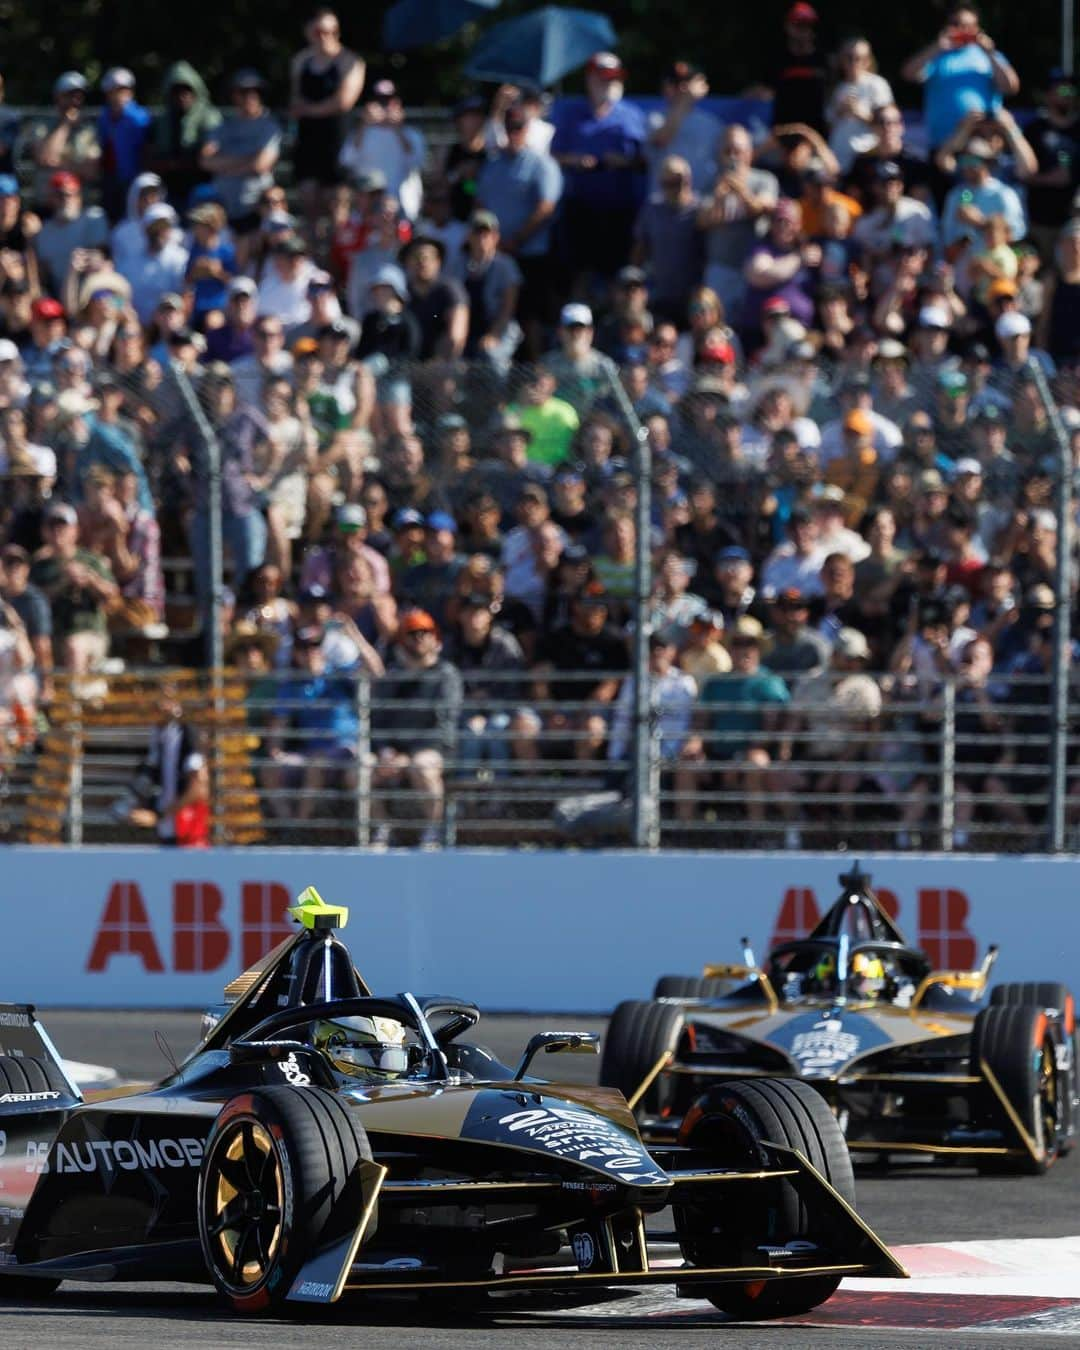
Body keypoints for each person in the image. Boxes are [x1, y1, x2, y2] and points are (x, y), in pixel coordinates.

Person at [674, 615, 791, 830]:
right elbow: (701, 722)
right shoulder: (716, 683)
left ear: (758, 648)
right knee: (687, 760)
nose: (743, 650)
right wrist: (695, 743)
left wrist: (738, 759)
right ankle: (685, 830)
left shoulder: (770, 683)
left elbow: (771, 730)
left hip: (753, 754)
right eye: (737, 644)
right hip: (717, 754)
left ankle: (757, 831)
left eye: (749, 644)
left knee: (754, 762)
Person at [551, 51, 647, 288]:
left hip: (620, 208)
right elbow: (554, 155)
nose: (611, 83)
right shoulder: (571, 114)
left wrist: (623, 161)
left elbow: (645, 161)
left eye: (615, 78)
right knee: (578, 272)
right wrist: (576, 160)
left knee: (617, 271)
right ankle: (580, 320)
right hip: (580, 207)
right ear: (590, 79)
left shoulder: (632, 115)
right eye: (605, 77)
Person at [370, 608, 462, 847]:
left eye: (425, 632)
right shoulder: (393, 677)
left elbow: (445, 723)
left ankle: (433, 833)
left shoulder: (446, 675)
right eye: (412, 633)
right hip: (394, 752)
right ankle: (382, 829)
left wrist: (407, 755)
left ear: (435, 637)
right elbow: (378, 720)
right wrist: (385, 750)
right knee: (360, 769)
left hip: (434, 749)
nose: (419, 637)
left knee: (421, 766)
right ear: (403, 639)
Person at [476, 104, 562, 356]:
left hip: (530, 255)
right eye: (509, 127)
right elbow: (479, 200)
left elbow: (546, 207)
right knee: (494, 312)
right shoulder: (492, 164)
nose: (514, 133)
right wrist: (494, 242)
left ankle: (535, 370)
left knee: (530, 315)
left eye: (519, 128)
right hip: (495, 255)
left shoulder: (541, 164)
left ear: (527, 129)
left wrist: (516, 239)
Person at [265, 624, 360, 822]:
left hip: (346, 751)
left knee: (317, 764)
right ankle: (288, 824)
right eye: (304, 649)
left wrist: (353, 634)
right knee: (269, 768)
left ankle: (301, 827)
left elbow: (376, 672)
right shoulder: (291, 685)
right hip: (309, 752)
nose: (310, 653)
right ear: (296, 655)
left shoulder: (339, 675)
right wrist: (275, 751)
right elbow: (279, 725)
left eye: (315, 647)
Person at [901, 5, 1019, 156]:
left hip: (984, 147)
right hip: (943, 145)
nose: (962, 30)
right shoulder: (937, 55)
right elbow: (908, 74)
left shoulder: (989, 56)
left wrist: (990, 52)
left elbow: (1011, 87)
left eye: (968, 26)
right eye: (956, 24)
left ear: (977, 28)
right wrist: (936, 47)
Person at [289, 8, 365, 229]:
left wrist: (309, 110)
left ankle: (337, 258)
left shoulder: (349, 61)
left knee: (337, 203)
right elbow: (295, 101)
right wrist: (308, 110)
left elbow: (343, 102)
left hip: (336, 139)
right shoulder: (300, 62)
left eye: (332, 31)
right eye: (320, 31)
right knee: (308, 200)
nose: (326, 37)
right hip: (308, 140)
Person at [697, 124, 779, 325]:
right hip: (720, 268)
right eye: (728, 151)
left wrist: (741, 190)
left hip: (752, 268)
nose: (733, 157)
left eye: (738, 151)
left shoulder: (763, 179)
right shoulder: (712, 184)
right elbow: (701, 222)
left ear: (749, 153)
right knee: (716, 323)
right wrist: (719, 195)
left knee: (751, 324)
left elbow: (763, 208)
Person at [28, 499, 118, 675]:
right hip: (50, 634)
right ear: (44, 532)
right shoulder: (39, 567)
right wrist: (63, 583)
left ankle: (73, 701)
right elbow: (32, 600)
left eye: (62, 526)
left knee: (74, 646)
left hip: (89, 633)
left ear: (75, 530)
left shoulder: (90, 560)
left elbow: (113, 595)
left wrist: (90, 580)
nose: (57, 532)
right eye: (52, 527)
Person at [199, 71, 282, 254]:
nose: (249, 97)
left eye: (254, 92)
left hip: (255, 209)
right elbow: (205, 160)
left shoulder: (269, 127)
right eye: (243, 92)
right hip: (223, 209)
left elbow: (260, 164)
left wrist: (225, 165)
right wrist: (247, 161)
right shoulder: (223, 127)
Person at [338, 79, 425, 221]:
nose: (385, 106)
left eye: (389, 101)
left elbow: (417, 162)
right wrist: (363, 125)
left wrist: (398, 129)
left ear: (398, 103)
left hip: (403, 208)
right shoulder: (359, 133)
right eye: (380, 101)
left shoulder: (412, 135)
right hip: (367, 211)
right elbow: (346, 160)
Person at [632, 154, 703, 323]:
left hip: (692, 296)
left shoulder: (700, 210)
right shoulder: (652, 208)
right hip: (659, 293)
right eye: (667, 183)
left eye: (678, 182)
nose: (674, 188)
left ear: (688, 180)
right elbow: (640, 248)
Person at [447, 209, 522, 370]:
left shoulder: (506, 266)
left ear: (496, 237)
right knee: (451, 363)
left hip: (499, 326)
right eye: (477, 232)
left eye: (487, 233)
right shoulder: (457, 265)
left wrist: (494, 334)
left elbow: (508, 308)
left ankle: (498, 396)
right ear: (469, 236)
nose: (482, 238)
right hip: (464, 328)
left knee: (492, 359)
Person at [147, 62, 222, 209]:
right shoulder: (163, 121)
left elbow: (208, 154)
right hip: (168, 185)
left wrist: (176, 163)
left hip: (201, 183)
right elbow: (150, 156)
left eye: (186, 91)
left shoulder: (209, 117)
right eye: (176, 91)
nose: (182, 96)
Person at [1024, 70, 1080, 261]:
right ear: (1048, 95)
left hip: (1074, 224)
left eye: (1071, 91)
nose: (1068, 95)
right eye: (1062, 91)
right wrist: (1048, 179)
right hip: (1040, 221)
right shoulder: (1034, 130)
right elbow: (1021, 173)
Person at [645, 61, 721, 195]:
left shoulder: (711, 122)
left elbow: (736, 152)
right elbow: (662, 139)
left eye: (686, 83)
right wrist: (686, 99)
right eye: (675, 83)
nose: (682, 89)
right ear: (664, 87)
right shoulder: (654, 118)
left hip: (701, 204)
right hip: (663, 204)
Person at [25, 72, 100, 208]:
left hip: (78, 205)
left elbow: (91, 171)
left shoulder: (88, 130)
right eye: (69, 95)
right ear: (57, 97)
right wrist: (65, 125)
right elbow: (45, 158)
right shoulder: (41, 125)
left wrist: (60, 164)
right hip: (47, 204)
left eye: (79, 96)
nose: (74, 101)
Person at [940, 138, 1026, 250]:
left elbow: (1017, 233)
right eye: (963, 160)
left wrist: (981, 223)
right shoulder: (956, 194)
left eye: (972, 160)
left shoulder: (1004, 194)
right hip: (962, 263)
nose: (966, 166)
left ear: (987, 163)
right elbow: (946, 234)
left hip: (993, 262)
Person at [827, 38, 894, 175]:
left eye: (859, 58)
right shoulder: (838, 88)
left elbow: (889, 123)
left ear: (868, 60)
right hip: (839, 158)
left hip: (866, 157)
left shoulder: (877, 84)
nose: (853, 62)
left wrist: (860, 113)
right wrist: (840, 111)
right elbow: (829, 123)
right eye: (849, 57)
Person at [400, 235, 468, 361]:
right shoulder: (401, 293)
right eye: (416, 257)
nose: (422, 262)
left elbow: (456, 337)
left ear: (438, 262)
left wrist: (438, 363)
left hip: (443, 364)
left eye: (428, 257)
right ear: (406, 262)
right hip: (407, 364)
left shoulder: (450, 290)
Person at [765, 3, 828, 134]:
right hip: (782, 131)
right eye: (798, 25)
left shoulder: (824, 60)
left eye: (807, 25)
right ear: (788, 27)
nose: (803, 30)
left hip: (817, 134)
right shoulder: (777, 58)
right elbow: (767, 91)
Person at [97, 68, 150, 223]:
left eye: (123, 89)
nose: (119, 95)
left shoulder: (139, 117)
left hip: (132, 178)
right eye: (114, 90)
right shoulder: (104, 117)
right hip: (109, 178)